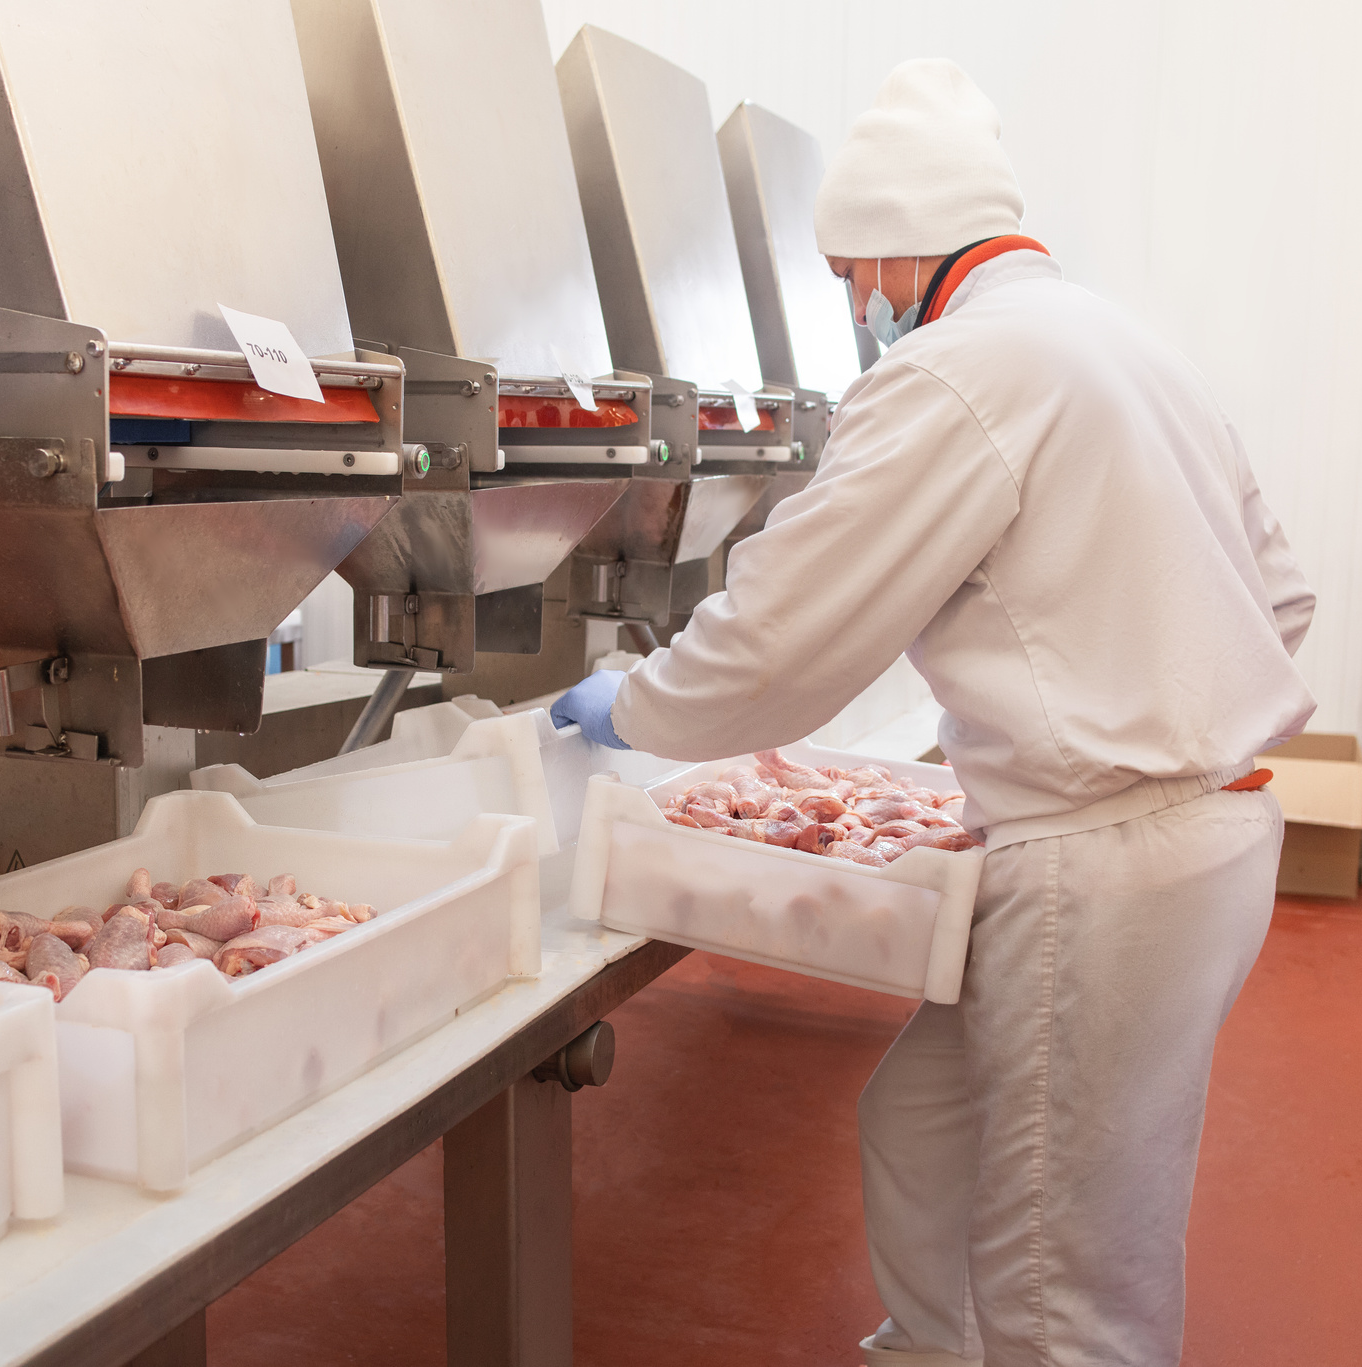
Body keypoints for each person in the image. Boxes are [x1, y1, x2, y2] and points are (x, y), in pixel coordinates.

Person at [550, 57, 1316, 1367]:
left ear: (904, 252)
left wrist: (642, 705)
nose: (857, 304)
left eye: (855, 274)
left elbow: (792, 632)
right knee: (923, 1123)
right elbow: (1281, 599)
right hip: (1206, 842)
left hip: (1109, 877)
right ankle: (930, 1350)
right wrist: (1071, 744)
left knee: (1063, 1275)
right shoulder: (1121, 342)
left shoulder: (960, 371)